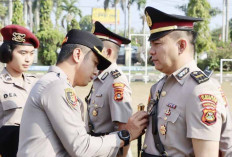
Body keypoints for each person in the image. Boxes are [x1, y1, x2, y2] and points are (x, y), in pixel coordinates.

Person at [17, 29, 148, 157]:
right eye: (95, 63)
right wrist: (126, 134)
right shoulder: (56, 86)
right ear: (77, 55)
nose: (96, 71)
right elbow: (81, 148)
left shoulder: (54, 83)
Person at [141, 6, 232, 157]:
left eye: (157, 44)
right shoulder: (159, 86)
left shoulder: (200, 90)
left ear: (181, 46)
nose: (151, 51)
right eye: (152, 45)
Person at [85, 21, 132, 157]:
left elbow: (123, 129)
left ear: (108, 52)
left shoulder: (116, 81)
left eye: (95, 50)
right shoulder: (100, 78)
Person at [0, 24, 39, 157]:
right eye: (23, 53)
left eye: (31, 54)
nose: (28, 59)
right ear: (8, 52)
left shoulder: (37, 83)